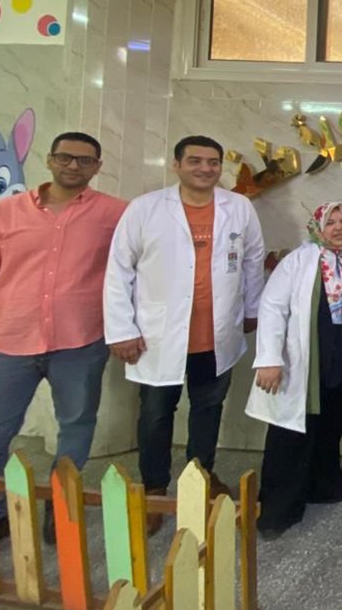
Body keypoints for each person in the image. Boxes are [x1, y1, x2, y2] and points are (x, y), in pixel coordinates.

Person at [103, 135, 265, 532]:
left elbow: (252, 259)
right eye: (195, 161)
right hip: (159, 336)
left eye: (213, 162)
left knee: (208, 410)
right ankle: (154, 489)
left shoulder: (238, 207)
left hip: (216, 335)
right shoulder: (146, 209)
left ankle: (201, 477)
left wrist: (251, 309)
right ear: (176, 165)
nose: (205, 169)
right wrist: (121, 329)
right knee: (156, 414)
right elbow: (119, 270)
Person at [0, 132, 127, 544]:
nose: (73, 166)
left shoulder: (115, 214)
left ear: (97, 167)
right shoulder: (5, 213)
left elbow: (135, 269)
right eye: (65, 157)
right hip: (8, 341)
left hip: (80, 341)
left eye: (84, 160)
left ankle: (60, 508)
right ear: (49, 160)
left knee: (76, 427)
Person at [245, 202, 342, 539]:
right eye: (330, 222)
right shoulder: (299, 260)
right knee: (290, 434)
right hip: (306, 364)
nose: (339, 227)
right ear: (317, 227)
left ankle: (322, 484)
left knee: (330, 429)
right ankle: (278, 510)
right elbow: (272, 308)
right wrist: (269, 359)